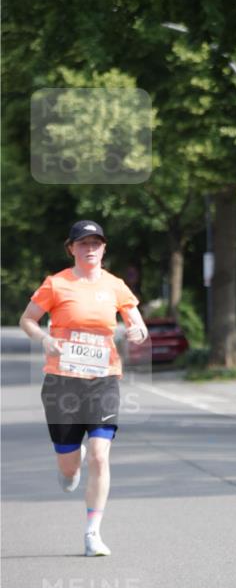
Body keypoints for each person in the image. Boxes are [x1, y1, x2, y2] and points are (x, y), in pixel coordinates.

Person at [19, 220, 148, 557]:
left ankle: (93, 532)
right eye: (83, 243)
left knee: (100, 456)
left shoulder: (115, 285)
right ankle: (68, 468)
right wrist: (45, 338)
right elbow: (27, 319)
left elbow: (138, 324)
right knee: (70, 464)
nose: (90, 249)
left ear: (104, 248)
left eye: (96, 243)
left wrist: (137, 332)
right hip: (62, 381)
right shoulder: (56, 284)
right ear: (71, 248)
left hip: (103, 379)